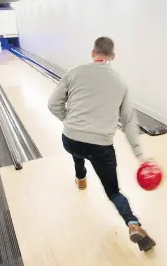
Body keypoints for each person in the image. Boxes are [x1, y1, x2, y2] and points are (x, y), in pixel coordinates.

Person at [47, 36, 156, 251]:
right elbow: (129, 121)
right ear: (112, 57)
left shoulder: (75, 72)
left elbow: (52, 104)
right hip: (100, 146)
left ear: (92, 53)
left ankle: (80, 178)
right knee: (113, 191)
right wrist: (140, 155)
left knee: (77, 149)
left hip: (70, 139)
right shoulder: (120, 83)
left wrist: (68, 121)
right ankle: (132, 223)